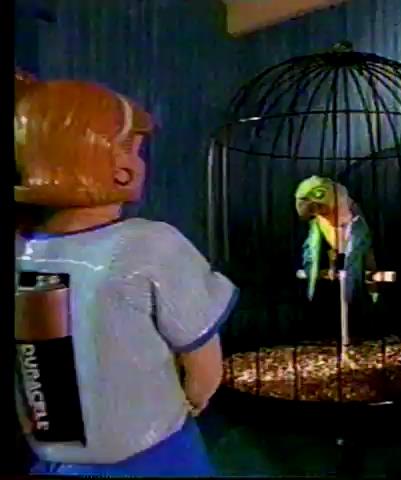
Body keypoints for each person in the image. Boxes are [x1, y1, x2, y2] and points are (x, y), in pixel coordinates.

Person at [14, 76, 238, 476]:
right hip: (153, 451)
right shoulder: (150, 245)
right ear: (118, 169)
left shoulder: (24, 253)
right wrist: (196, 395)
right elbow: (202, 360)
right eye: (133, 149)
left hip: (58, 458)